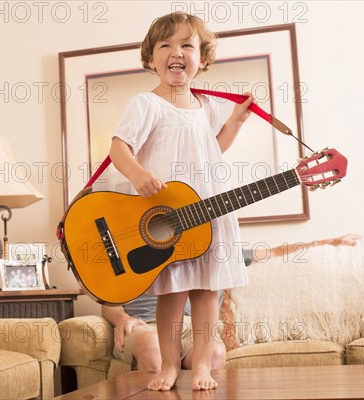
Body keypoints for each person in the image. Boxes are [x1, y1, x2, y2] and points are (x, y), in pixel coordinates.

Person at [108, 12, 254, 390]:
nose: (177, 52)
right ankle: (170, 366)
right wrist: (138, 174)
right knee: (172, 293)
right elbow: (119, 147)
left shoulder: (206, 106)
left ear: (201, 59)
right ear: (151, 58)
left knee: (207, 291)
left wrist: (235, 122)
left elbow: (212, 152)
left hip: (207, 209)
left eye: (187, 45)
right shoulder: (147, 104)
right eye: (166, 45)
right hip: (168, 217)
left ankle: (202, 366)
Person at [102, 234, 363, 383]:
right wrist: (122, 317)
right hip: (146, 326)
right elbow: (108, 303)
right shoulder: (137, 251)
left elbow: (274, 252)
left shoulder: (217, 253)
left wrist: (328, 242)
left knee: (214, 352)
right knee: (153, 348)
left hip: (195, 329)